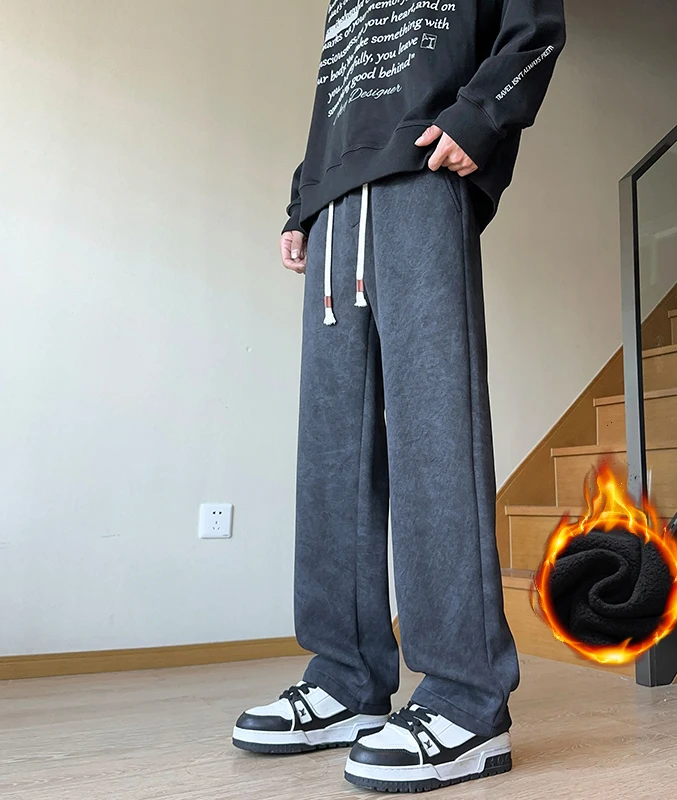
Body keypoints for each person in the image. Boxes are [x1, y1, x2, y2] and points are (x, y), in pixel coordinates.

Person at [233, 0, 566, 793]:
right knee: (332, 450)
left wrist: (478, 117)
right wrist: (303, 198)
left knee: (433, 433)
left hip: (421, 172)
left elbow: (535, 27)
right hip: (336, 204)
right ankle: (345, 678)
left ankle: (466, 698)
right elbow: (337, 94)